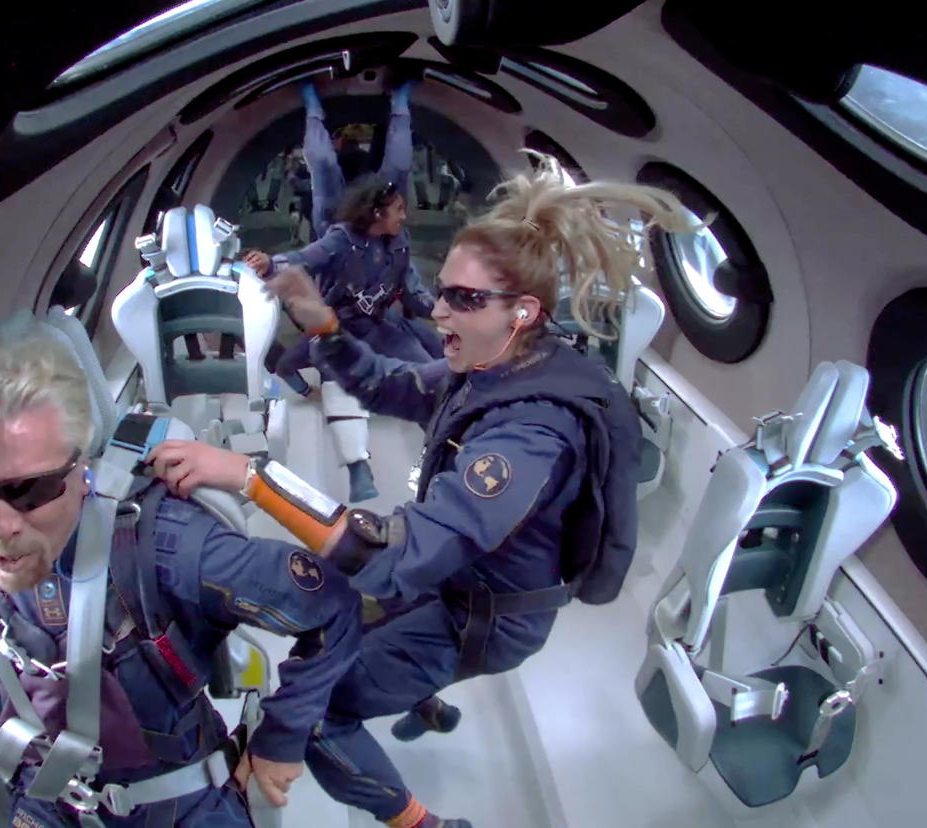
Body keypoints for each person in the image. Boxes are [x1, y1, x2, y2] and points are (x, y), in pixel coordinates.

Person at [147, 152, 694, 827]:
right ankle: (421, 693)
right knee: (331, 614)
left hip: (484, 618)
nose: (437, 311)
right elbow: (391, 384)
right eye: (443, 291)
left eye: (462, 300)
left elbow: (398, 555)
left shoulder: (531, 432)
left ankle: (424, 824)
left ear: (523, 311)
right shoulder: (495, 367)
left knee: (317, 713)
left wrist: (251, 480)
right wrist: (324, 327)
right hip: (455, 580)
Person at [0, 318, 362, 827]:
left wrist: (281, 737)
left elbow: (332, 609)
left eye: (30, 492)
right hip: (45, 803)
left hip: (181, 803)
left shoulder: (172, 550)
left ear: (79, 472)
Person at [243, 174, 441, 504]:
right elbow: (303, 258)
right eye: (398, 210)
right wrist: (268, 266)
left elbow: (413, 289)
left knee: (427, 383)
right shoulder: (341, 240)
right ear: (377, 213)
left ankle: (439, 452)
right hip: (339, 325)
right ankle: (359, 471)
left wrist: (440, 310)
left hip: (380, 325)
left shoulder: (399, 242)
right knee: (304, 368)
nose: (404, 216)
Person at [296, 81, 414, 241]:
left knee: (323, 164)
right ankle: (400, 102)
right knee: (399, 166)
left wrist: (271, 264)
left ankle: (313, 109)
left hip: (336, 223)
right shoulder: (395, 251)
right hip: (379, 220)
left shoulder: (329, 247)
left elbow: (303, 258)